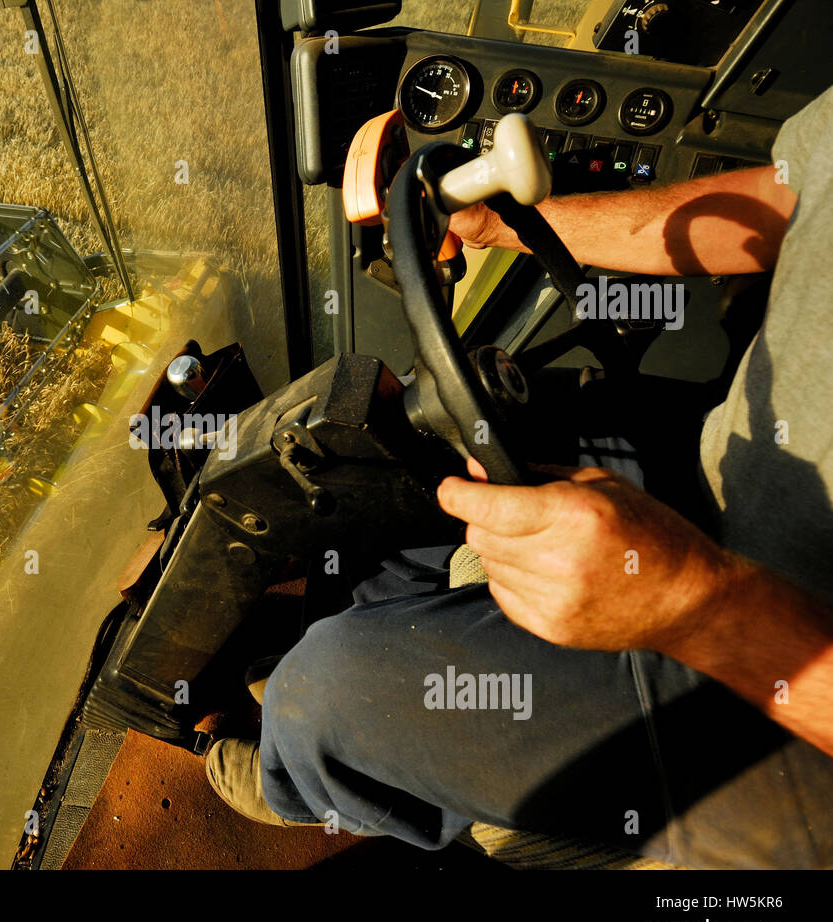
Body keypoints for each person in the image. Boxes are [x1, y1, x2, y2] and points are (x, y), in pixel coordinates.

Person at [204, 87, 833, 868]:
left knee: (325, 692)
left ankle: (300, 777)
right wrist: (503, 224)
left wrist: (693, 606)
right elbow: (788, 197)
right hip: (718, 457)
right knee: (410, 493)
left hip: (775, 688)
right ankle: (368, 719)